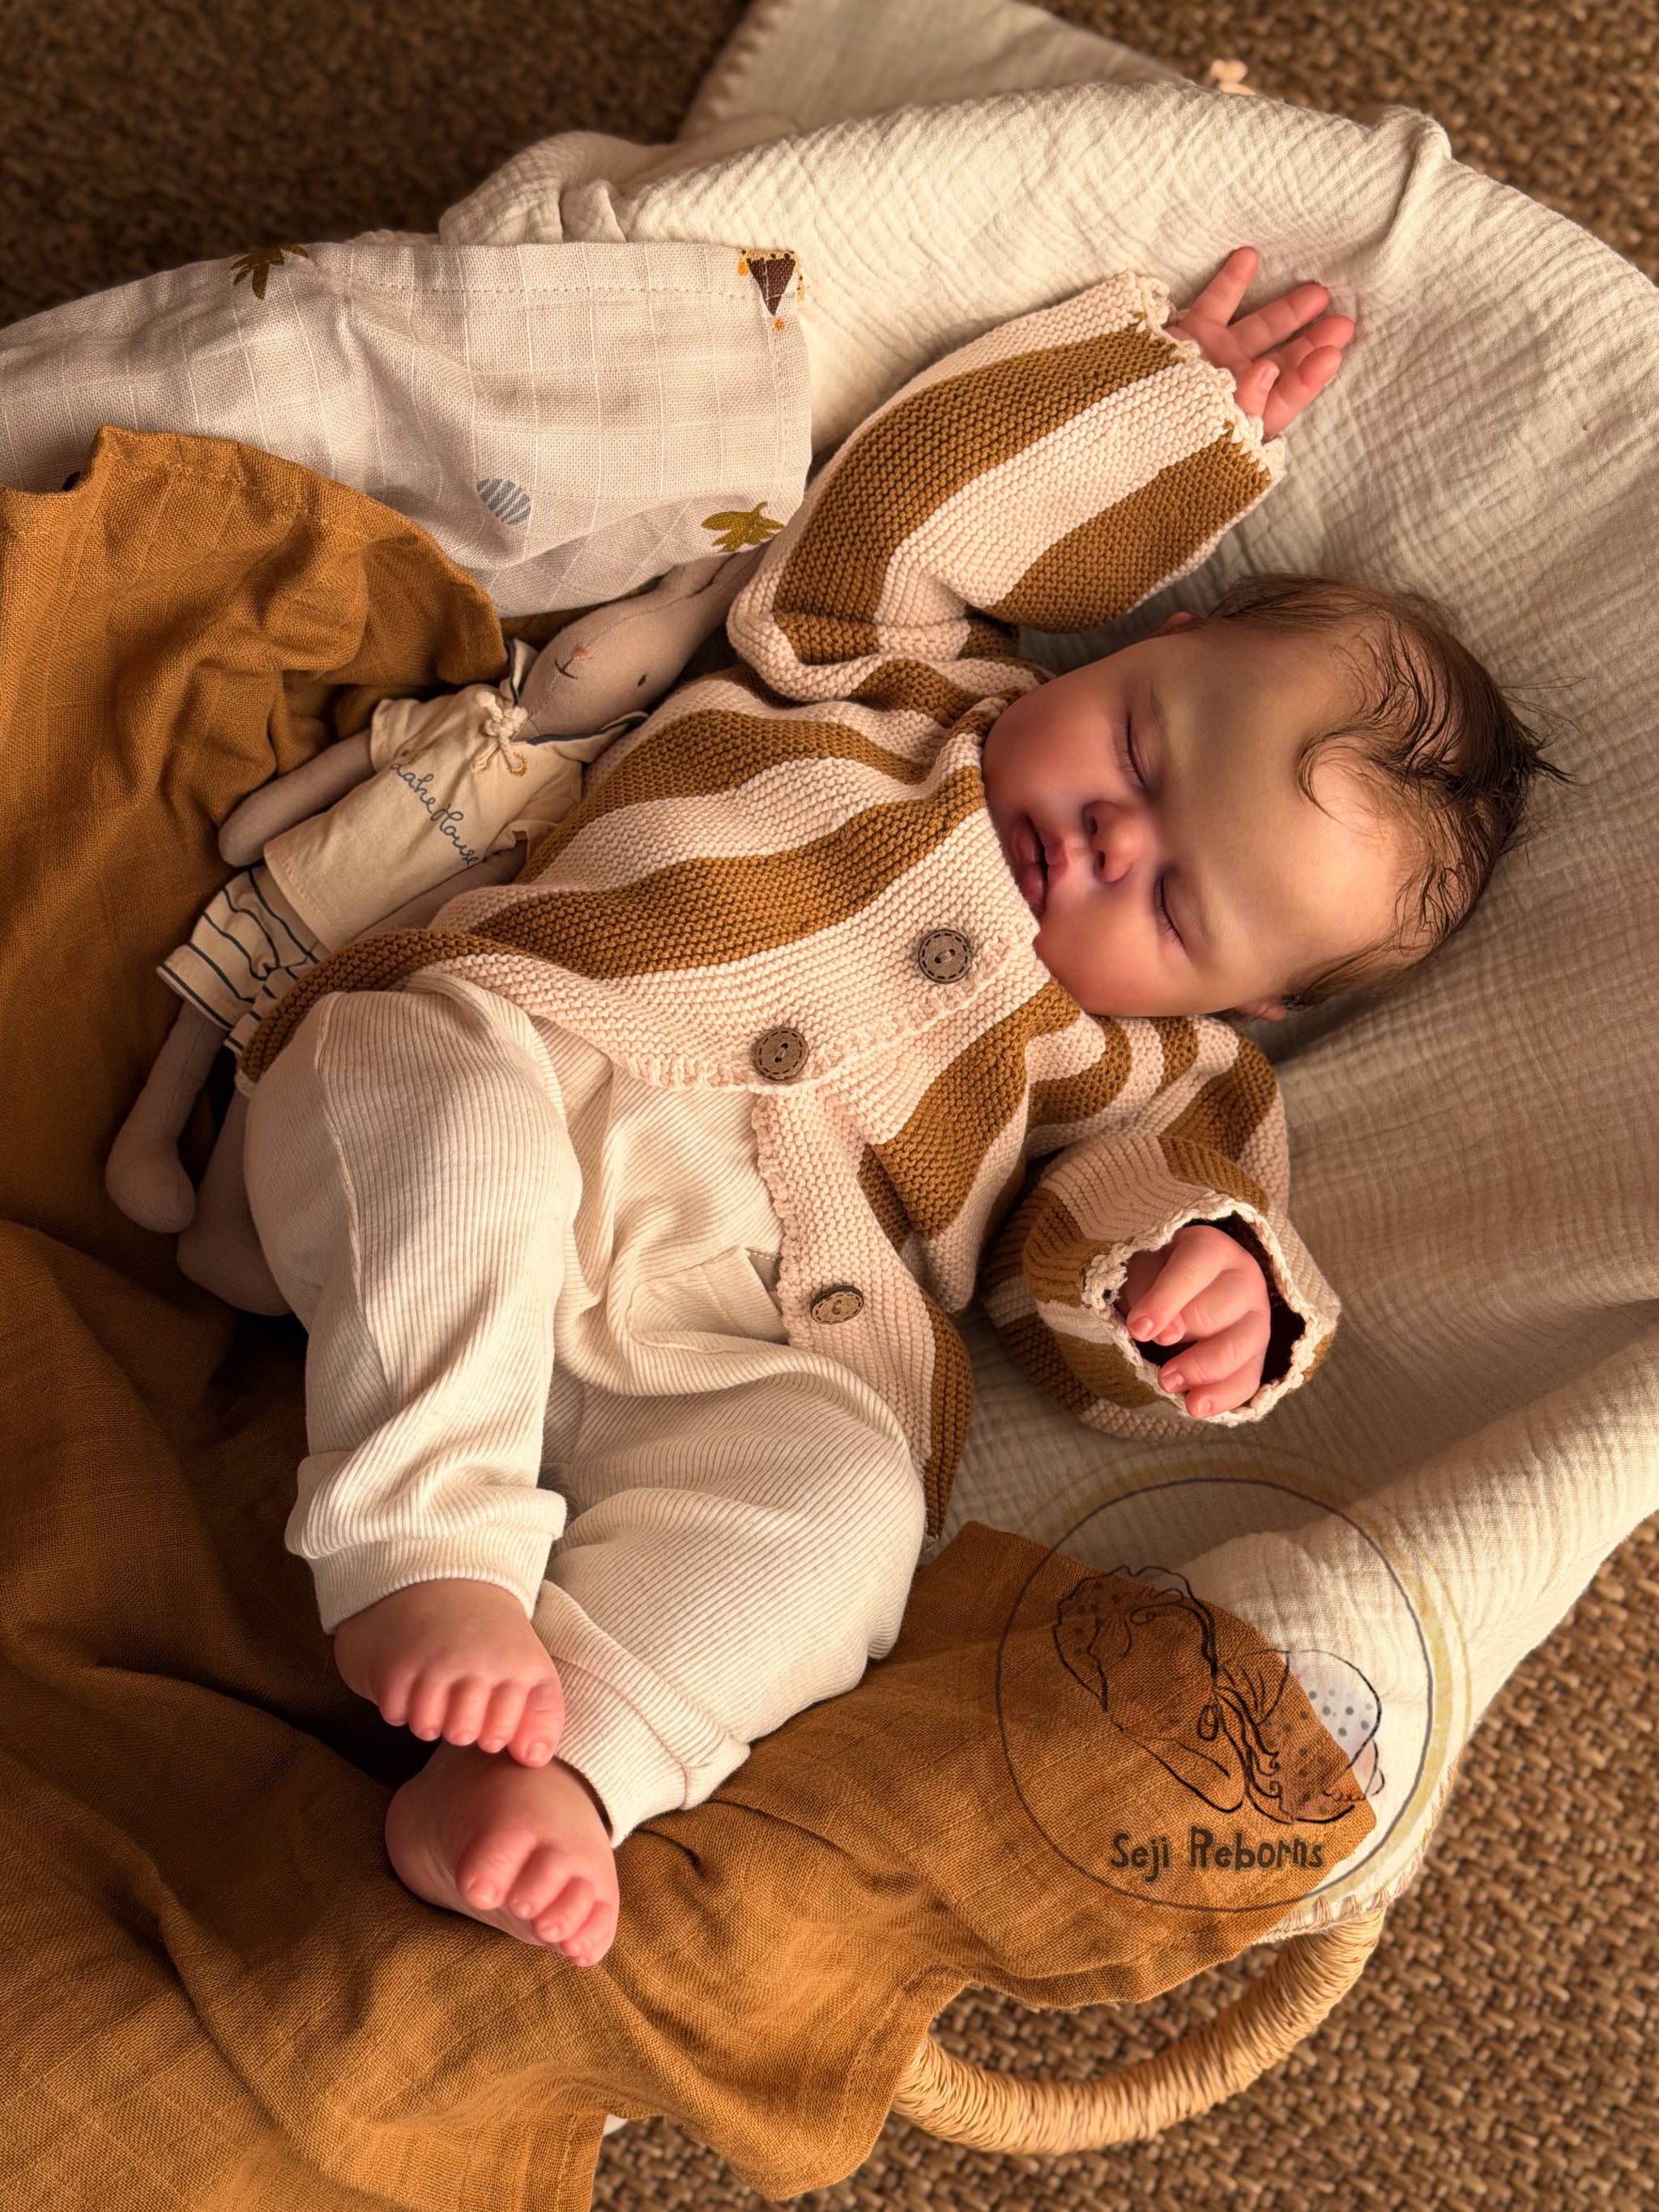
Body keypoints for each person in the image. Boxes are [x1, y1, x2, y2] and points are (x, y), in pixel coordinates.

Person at [237, 248, 1558, 1968]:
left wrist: (1202, 1281)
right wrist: (1153, 418)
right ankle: (430, 1547)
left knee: (848, 1507)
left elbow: (1079, 1272)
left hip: (739, 1338)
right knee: (422, 1074)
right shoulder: (878, 676)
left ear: (1252, 1002)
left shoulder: (1161, 1073)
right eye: (1142, 753)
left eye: (1175, 905)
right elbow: (907, 508)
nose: (1109, 840)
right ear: (1153, 641)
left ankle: (565, 1767)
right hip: (530, 1069)